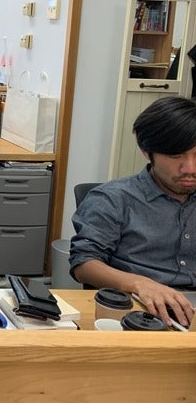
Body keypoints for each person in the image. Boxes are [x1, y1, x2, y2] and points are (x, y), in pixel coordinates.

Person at [69, 96, 196, 328]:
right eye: (176, 156)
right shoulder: (114, 199)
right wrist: (140, 283)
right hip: (138, 311)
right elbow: (84, 264)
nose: (190, 168)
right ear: (147, 152)